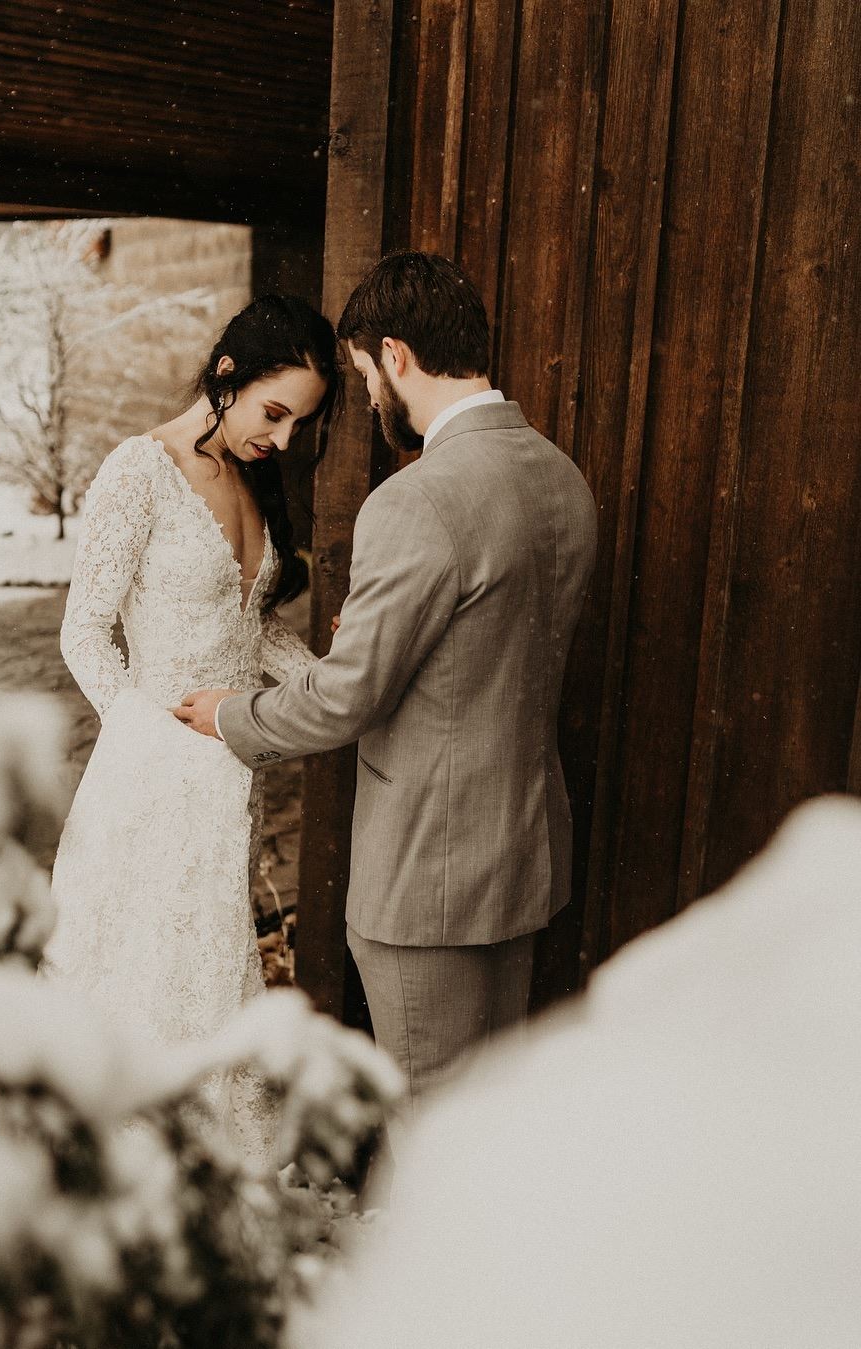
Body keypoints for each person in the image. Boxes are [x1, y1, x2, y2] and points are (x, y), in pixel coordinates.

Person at [176, 252, 598, 1118]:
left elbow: (343, 702)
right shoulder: (561, 480)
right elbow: (491, 649)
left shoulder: (415, 502)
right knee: (491, 1117)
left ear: (395, 356)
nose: (369, 398)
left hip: (426, 878)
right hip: (523, 858)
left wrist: (229, 715)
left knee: (432, 1129)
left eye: (366, 374)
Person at [45, 295, 339, 1167]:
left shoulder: (253, 477)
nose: (283, 440)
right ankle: (134, 1173)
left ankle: (212, 1175)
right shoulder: (139, 470)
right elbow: (83, 631)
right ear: (226, 376)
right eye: (273, 413)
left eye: (299, 423)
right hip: (149, 779)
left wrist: (339, 688)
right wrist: (148, 742)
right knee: (141, 980)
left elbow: (254, 631)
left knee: (210, 974)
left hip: (230, 783)